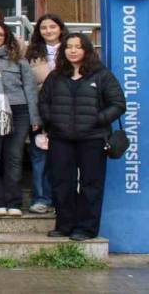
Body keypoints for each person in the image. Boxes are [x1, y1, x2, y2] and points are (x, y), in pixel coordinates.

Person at [39, 33, 125, 241]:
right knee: (61, 182)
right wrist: (52, 121)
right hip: (60, 138)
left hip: (93, 138)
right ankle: (64, 226)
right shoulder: (55, 76)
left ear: (86, 50)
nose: (73, 50)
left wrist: (97, 119)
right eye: (69, 46)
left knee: (91, 184)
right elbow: (43, 102)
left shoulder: (102, 75)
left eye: (78, 46)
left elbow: (118, 104)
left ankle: (86, 229)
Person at [0, 21, 40, 217]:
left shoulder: (18, 59)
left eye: (0, 35)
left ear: (6, 38)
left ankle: (14, 202)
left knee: (14, 157)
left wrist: (35, 118)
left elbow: (30, 89)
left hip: (19, 112)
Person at [25, 13, 68, 214]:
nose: (48, 31)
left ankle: (62, 199)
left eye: (52, 26)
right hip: (41, 111)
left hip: (68, 112)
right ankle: (41, 198)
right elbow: (28, 86)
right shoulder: (31, 53)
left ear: (60, 28)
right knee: (40, 158)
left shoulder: (72, 49)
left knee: (64, 158)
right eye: (43, 27)